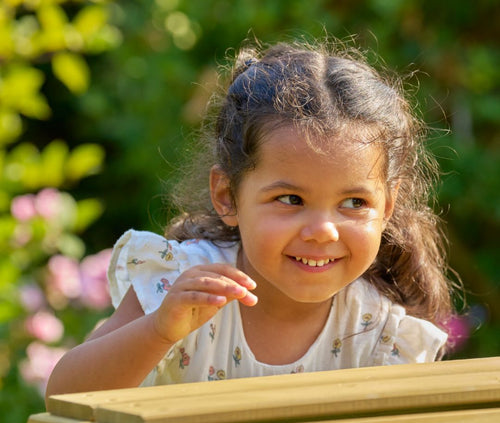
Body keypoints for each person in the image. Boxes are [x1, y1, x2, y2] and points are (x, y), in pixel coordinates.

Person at [45, 37, 459, 402]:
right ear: (228, 196)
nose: (322, 231)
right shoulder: (180, 288)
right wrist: (158, 332)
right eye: (290, 199)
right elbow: (64, 396)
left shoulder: (380, 335)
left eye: (354, 202)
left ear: (387, 207)